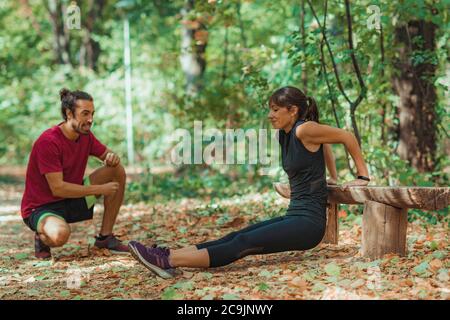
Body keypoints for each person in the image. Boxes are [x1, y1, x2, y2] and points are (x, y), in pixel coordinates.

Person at [128, 86, 370, 279]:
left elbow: (345, 136)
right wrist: (333, 176)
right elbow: (325, 143)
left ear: (292, 110)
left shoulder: (303, 129)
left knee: (244, 243)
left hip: (309, 224)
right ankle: (167, 254)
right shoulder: (286, 134)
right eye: (270, 109)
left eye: (275, 110)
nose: (270, 115)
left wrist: (362, 176)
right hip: (295, 215)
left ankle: (166, 261)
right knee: (235, 235)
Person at [21, 88, 129, 259]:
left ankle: (105, 237)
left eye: (92, 113)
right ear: (69, 113)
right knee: (60, 234)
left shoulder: (85, 135)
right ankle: (43, 236)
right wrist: (100, 189)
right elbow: (58, 189)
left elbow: (108, 156)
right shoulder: (49, 141)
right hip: (42, 208)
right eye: (85, 113)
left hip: (70, 201)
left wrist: (111, 157)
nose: (90, 119)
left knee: (117, 170)